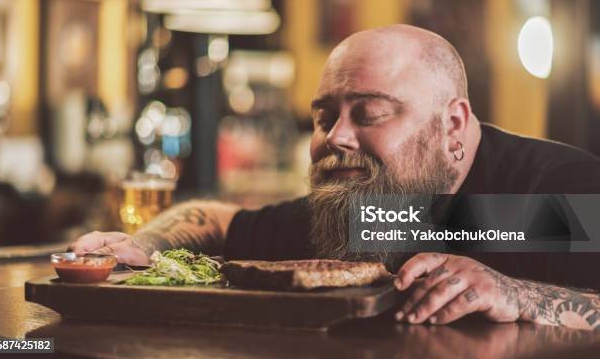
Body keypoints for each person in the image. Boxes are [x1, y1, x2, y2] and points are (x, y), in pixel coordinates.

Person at [70, 25, 600, 331]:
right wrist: (144, 244)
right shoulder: (380, 211)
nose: (335, 137)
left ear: (453, 124)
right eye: (323, 117)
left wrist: (520, 296)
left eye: (368, 114)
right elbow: (218, 220)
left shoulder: (551, 198)